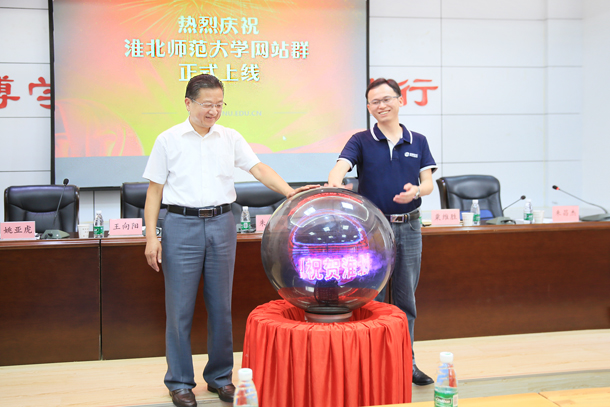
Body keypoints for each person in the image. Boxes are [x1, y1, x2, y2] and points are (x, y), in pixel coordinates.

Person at [143, 74, 315, 407]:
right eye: (207, 104)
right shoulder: (168, 140)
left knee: (221, 306)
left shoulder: (230, 137)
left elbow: (258, 168)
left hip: (222, 223)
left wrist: (289, 192)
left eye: (219, 105)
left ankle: (220, 378)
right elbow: (154, 191)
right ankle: (179, 382)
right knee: (179, 309)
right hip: (180, 225)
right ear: (188, 103)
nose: (213, 111)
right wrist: (152, 236)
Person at [327, 78, 437, 386]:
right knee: (367, 298)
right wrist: (335, 180)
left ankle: (406, 363)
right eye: (375, 102)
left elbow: (428, 183)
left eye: (387, 99)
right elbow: (341, 165)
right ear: (368, 107)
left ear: (401, 100)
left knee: (405, 300)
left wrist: (417, 191)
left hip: (409, 227)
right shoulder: (361, 140)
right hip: (373, 231)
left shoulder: (418, 140)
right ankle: (366, 366)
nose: (381, 105)